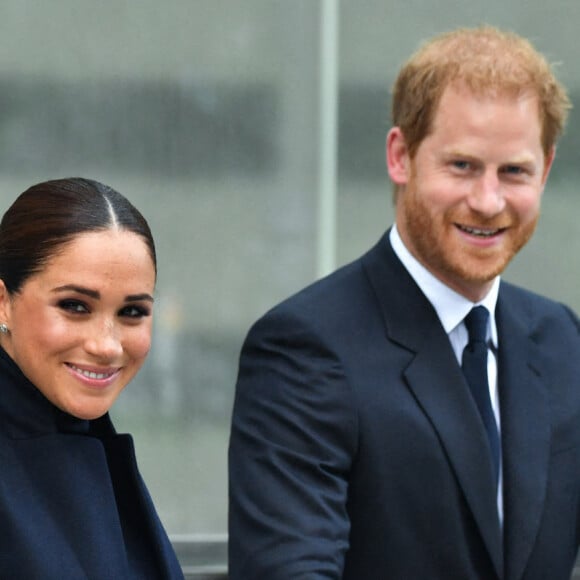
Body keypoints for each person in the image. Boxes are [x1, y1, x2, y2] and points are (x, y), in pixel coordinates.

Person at [228, 26, 580, 579]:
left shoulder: (562, 340)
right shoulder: (304, 347)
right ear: (401, 156)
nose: (488, 201)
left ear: (547, 170)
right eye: (461, 165)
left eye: (514, 171)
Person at [0, 178, 184, 578]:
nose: (107, 345)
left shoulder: (89, 438)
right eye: (74, 306)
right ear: (3, 302)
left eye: (132, 312)